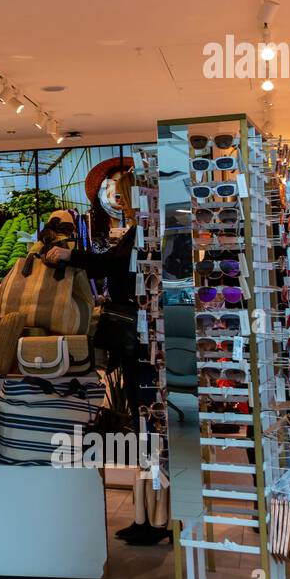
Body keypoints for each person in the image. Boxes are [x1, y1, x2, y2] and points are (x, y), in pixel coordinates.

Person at [46, 172, 171, 546]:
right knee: (144, 422)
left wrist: (71, 256)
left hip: (145, 341)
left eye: (123, 193)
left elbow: (117, 267)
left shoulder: (149, 230)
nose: (118, 199)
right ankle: (149, 514)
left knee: (148, 421)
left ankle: (157, 518)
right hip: (145, 339)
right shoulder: (146, 228)